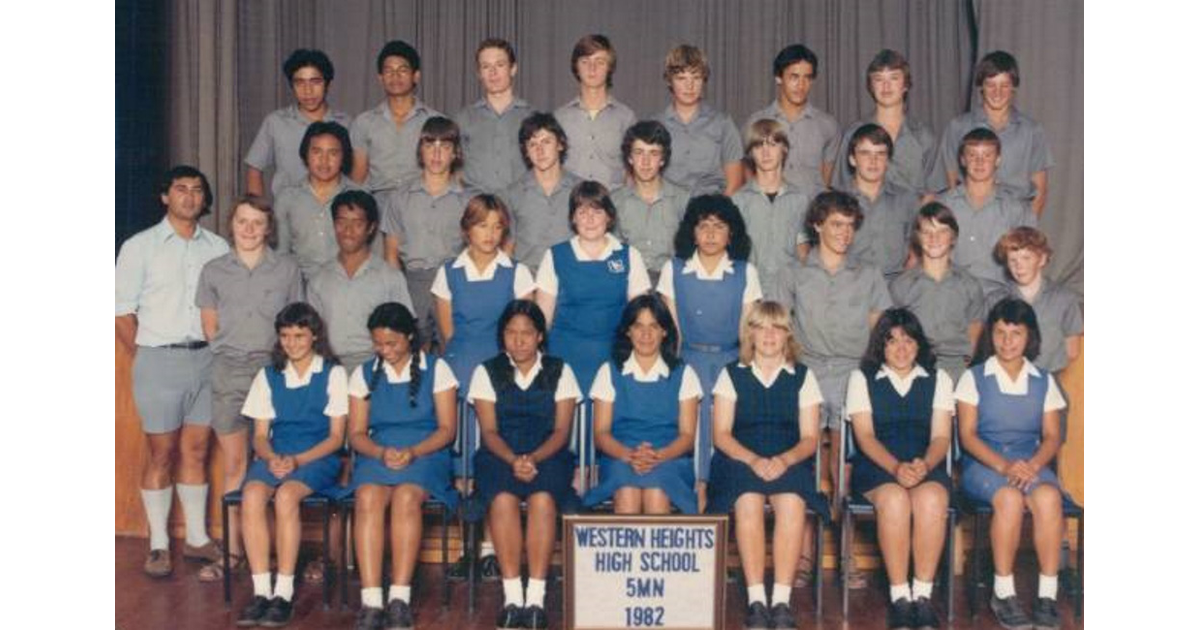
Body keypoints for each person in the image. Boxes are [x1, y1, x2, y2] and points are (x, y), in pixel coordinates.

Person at [774, 190, 892, 589]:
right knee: (803, 466)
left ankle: (846, 558)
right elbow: (777, 331)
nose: (844, 233)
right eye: (836, 224)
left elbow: (880, 336)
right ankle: (804, 557)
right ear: (817, 224)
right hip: (805, 374)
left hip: (851, 375)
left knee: (842, 469)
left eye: (850, 225)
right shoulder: (793, 272)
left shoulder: (869, 274)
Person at [116, 165, 230, 578]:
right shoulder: (139, 247)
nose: (189, 196)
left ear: (205, 199)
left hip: (206, 359)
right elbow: (121, 310)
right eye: (180, 189)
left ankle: (198, 538)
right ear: (165, 196)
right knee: (161, 453)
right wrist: (145, 355)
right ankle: (160, 544)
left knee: (197, 450)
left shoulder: (218, 248)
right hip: (158, 358)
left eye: (198, 190)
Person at [194, 195, 304, 582]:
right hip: (229, 373)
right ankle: (234, 553)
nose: (250, 229)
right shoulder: (213, 270)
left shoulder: (287, 269)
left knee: (276, 462)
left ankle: (274, 553)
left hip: (273, 372)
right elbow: (210, 328)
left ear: (269, 227)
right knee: (236, 465)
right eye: (243, 221)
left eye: (258, 223)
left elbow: (297, 326)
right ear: (231, 224)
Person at [431, 194, 536, 581]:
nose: (490, 234)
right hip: (460, 373)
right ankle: (466, 548)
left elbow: (522, 331)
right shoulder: (449, 273)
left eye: (497, 226)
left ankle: (493, 548)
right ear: (466, 229)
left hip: (500, 376)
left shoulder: (517, 272)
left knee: (492, 460)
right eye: (481, 225)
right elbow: (448, 334)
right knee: (462, 466)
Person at [706, 301, 825, 630]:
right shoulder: (731, 374)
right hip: (740, 459)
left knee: (791, 502)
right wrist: (754, 460)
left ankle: (782, 601)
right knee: (748, 500)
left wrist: (783, 460)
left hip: (788, 458)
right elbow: (721, 434)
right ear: (750, 333)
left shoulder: (803, 376)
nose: (769, 335)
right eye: (761, 326)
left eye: (777, 327)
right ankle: (757, 600)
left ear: (788, 334)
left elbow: (810, 438)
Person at [467, 300, 582, 630]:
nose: (518, 341)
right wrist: (513, 459)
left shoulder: (560, 370)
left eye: (526, 334)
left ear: (540, 337)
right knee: (502, 500)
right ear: (502, 336)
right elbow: (488, 430)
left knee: (542, 500)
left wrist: (533, 458)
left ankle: (535, 598)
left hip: (548, 454)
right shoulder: (486, 371)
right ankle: (512, 596)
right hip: (499, 454)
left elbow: (562, 431)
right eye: (511, 333)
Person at [956, 298, 1068, 630]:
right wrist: (1006, 468)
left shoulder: (1044, 380)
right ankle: (1003, 592)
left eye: (1015, 333)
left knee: (1049, 497)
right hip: (985, 464)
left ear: (1029, 336)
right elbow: (968, 436)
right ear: (991, 335)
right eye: (1000, 332)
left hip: (1029, 462)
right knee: (1009, 498)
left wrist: (1032, 466)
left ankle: (1047, 596)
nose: (1007, 341)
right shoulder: (974, 377)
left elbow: (1051, 436)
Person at [347, 303, 459, 630]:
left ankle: (399, 598)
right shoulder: (363, 373)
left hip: (426, 453)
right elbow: (355, 433)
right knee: (367, 496)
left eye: (392, 344)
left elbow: (447, 429)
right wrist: (381, 453)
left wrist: (412, 452)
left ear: (410, 336)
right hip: (378, 453)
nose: (385, 350)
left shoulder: (437, 369)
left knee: (406, 497)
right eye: (378, 344)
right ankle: (371, 601)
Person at [236, 302, 348, 627]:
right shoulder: (268, 375)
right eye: (285, 336)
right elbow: (259, 435)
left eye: (299, 336)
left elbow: (336, 437)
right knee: (253, 494)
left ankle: (283, 593)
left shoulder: (332, 373)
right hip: (276, 455)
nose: (292, 343)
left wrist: (296, 461)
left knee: (286, 496)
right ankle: (261, 591)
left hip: (317, 457)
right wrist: (272, 458)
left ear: (314, 336)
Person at [845, 308, 953, 630]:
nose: (901, 348)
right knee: (895, 500)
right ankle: (899, 598)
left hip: (923, 463)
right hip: (878, 465)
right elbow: (864, 436)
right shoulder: (861, 378)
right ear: (881, 347)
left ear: (919, 344)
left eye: (908, 340)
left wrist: (925, 465)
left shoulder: (938, 379)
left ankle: (922, 596)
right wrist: (895, 468)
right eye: (891, 342)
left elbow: (941, 436)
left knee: (932, 499)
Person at [658, 194, 762, 512]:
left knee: (725, 429)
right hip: (688, 361)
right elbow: (671, 331)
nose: (712, 233)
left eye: (719, 226)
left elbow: (748, 333)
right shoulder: (674, 269)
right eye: (704, 225)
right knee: (690, 429)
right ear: (693, 231)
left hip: (730, 363)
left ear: (732, 233)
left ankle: (720, 497)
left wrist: (743, 375)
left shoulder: (745, 272)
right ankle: (692, 497)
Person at [584, 294, 702, 514]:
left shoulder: (684, 373)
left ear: (664, 331)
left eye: (654, 326)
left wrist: (658, 456)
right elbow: (600, 434)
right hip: (620, 456)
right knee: (627, 491)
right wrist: (631, 455)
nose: (646, 334)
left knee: (656, 492)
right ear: (628, 331)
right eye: (638, 326)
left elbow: (687, 437)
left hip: (670, 457)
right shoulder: (608, 371)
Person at [535, 180, 652, 401]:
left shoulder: (629, 256)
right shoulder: (555, 256)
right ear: (573, 217)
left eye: (597, 211)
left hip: (616, 358)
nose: (589, 219)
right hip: (565, 358)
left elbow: (641, 319)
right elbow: (542, 321)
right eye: (582, 211)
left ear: (609, 216)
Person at [381, 116, 473, 349]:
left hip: (455, 284)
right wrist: (398, 298)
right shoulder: (400, 197)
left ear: (456, 153)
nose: (437, 154)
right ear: (420, 150)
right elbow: (391, 256)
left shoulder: (469, 198)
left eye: (445, 147)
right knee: (413, 356)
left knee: (453, 349)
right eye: (430, 145)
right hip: (413, 283)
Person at [932, 51, 1053, 216]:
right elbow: (948, 183)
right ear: (981, 86)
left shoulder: (1032, 131)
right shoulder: (958, 127)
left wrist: (1024, 231)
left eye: (1004, 85)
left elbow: (1040, 191)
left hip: (1014, 219)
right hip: (970, 218)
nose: (998, 92)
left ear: (1014, 88)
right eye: (991, 85)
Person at [307, 190, 413, 369]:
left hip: (378, 366)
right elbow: (311, 335)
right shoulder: (318, 280)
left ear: (371, 228)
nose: (348, 231)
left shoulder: (390, 277)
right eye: (341, 222)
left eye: (357, 223)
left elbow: (405, 331)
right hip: (330, 367)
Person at [935, 128, 1036, 302]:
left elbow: (1030, 260)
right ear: (962, 160)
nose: (979, 162)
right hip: (951, 295)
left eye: (987, 155)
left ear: (998, 160)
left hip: (1002, 297)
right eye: (972, 155)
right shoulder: (943, 204)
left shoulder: (1016, 208)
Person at [889, 202, 985, 383]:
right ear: (917, 236)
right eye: (927, 232)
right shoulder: (901, 286)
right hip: (914, 367)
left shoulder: (969, 285)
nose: (934, 238)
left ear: (954, 237)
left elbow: (974, 337)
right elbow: (892, 338)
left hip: (957, 368)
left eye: (942, 231)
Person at [245, 49, 352, 198]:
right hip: (286, 213)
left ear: (327, 84)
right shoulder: (276, 122)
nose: (308, 91)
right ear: (292, 86)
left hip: (333, 213)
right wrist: (257, 212)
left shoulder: (346, 123)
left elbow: (355, 172)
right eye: (299, 83)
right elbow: (254, 169)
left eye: (315, 82)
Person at [831, 49, 936, 195]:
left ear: (905, 85)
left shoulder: (923, 136)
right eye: (879, 79)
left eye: (894, 78)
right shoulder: (854, 133)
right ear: (871, 86)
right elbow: (841, 188)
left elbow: (933, 193)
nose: (886, 86)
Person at [351, 40, 442, 195]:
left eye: (402, 70)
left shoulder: (435, 121)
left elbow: (443, 174)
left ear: (416, 76)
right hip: (377, 205)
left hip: (420, 201)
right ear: (380, 78)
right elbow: (358, 178)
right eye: (389, 71)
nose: (395, 76)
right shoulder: (364, 122)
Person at [274, 121, 363, 281]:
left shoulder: (360, 197)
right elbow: (281, 253)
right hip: (299, 285)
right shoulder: (287, 197)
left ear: (343, 157)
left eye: (333, 153)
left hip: (347, 283)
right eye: (317, 152)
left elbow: (372, 255)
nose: (324, 161)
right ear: (305, 155)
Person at [732, 119, 811, 298]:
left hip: (789, 294)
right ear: (751, 153)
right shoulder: (739, 200)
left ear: (784, 149)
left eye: (773, 144)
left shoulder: (800, 199)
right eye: (759, 146)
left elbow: (803, 252)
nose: (766, 152)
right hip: (750, 293)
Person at [745, 44, 839, 192]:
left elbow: (826, 180)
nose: (801, 85)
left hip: (813, 211)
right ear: (778, 78)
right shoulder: (756, 122)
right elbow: (749, 176)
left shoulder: (827, 125)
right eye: (794, 77)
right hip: (770, 211)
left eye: (807, 78)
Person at [654, 44, 743, 196]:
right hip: (667, 211)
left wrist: (716, 216)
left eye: (696, 77)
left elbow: (734, 183)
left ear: (704, 80)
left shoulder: (722, 123)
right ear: (669, 81)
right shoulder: (656, 125)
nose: (690, 85)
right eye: (681, 78)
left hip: (712, 210)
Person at [993, 227, 1082, 375]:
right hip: (1005, 379)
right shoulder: (996, 299)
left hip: (1050, 378)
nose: (1019, 266)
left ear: (1041, 259)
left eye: (1026, 258)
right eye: (1012, 260)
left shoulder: (1065, 299)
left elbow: (1072, 351)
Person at [838, 123, 922, 281]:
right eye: (865, 153)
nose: (873, 160)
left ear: (888, 160)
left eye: (880, 154)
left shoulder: (907, 199)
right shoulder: (835, 200)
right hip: (849, 285)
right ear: (852, 159)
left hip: (895, 286)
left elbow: (918, 247)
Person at [612, 120, 689, 287]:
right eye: (639, 153)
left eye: (653, 153)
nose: (645, 162)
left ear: (663, 159)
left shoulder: (684, 200)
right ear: (629, 158)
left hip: (672, 285)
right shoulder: (614, 202)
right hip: (628, 284)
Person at [502, 112, 584, 269]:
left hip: (572, 279)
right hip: (528, 282)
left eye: (546, 142)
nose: (540, 150)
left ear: (560, 144)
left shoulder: (581, 189)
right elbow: (507, 247)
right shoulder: (512, 194)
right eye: (532, 144)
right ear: (525, 151)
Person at [554, 34, 637, 188]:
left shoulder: (626, 118)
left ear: (610, 67)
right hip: (571, 207)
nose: (592, 68)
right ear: (576, 67)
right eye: (585, 62)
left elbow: (632, 172)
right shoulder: (560, 118)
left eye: (600, 62)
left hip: (614, 207)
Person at [456, 38, 534, 194]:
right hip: (477, 209)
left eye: (500, 65)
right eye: (486, 66)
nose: (493, 72)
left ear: (513, 69)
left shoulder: (532, 117)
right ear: (479, 73)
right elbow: (453, 170)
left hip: (520, 208)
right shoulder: (463, 119)